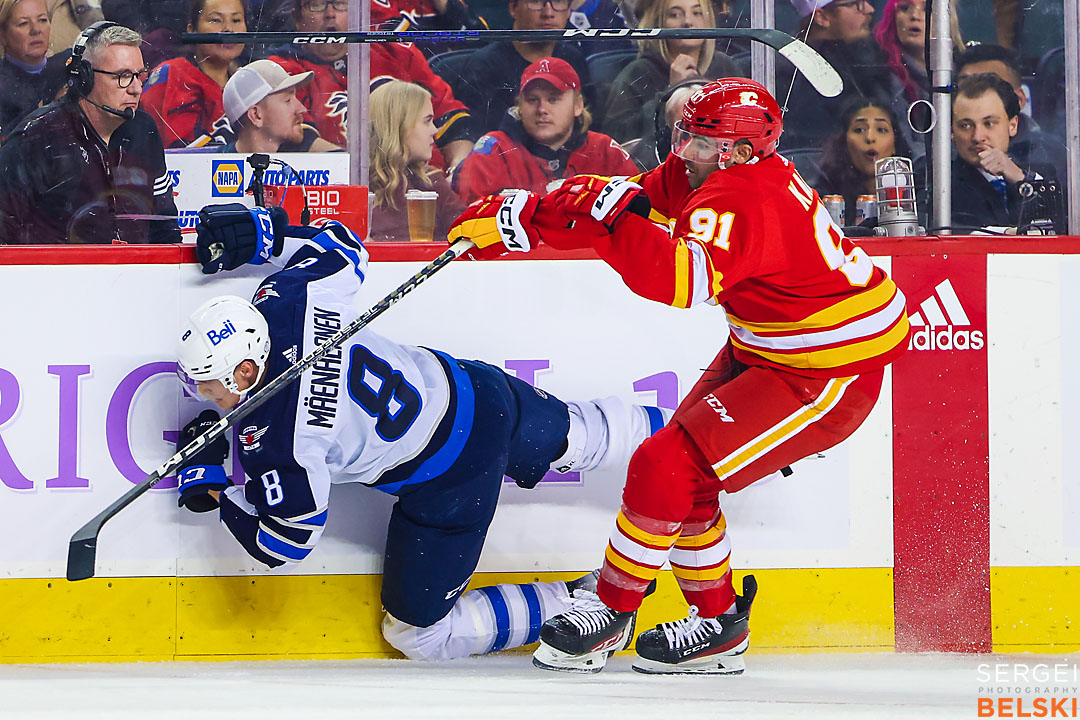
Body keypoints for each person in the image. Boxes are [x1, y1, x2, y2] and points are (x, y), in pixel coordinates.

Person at [449, 78, 910, 674]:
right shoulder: (705, 171)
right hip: (767, 348)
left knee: (663, 463)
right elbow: (633, 203)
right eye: (683, 135)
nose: (681, 151)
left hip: (827, 371)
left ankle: (611, 612)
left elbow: (678, 281)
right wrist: (528, 215)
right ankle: (717, 624)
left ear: (740, 151)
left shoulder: (744, 196)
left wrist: (611, 219)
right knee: (681, 477)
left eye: (697, 140)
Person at [175, 203, 672, 661]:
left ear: (244, 372)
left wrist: (215, 490)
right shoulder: (287, 299)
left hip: (449, 485)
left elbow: (284, 545)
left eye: (208, 385)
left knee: (417, 635)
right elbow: (342, 243)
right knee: (582, 435)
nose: (204, 397)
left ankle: (581, 604)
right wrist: (266, 234)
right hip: (479, 392)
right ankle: (696, 440)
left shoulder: (281, 439)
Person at [0, 21, 179, 244]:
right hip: (59, 276)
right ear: (85, 77)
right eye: (122, 76)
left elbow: (165, 226)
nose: (136, 89)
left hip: (136, 274)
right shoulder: (36, 136)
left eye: (139, 75)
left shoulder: (144, 129)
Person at [269, 0, 476, 170]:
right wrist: (369, 173)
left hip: (424, 184)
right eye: (317, 5)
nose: (330, 14)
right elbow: (298, 140)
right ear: (297, 17)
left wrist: (458, 168)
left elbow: (453, 121)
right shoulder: (284, 69)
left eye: (340, 4)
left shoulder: (397, 52)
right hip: (346, 184)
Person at [455, 57, 637, 203]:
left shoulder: (604, 149)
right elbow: (471, 220)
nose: (542, 109)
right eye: (532, 100)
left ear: (578, 105)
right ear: (520, 106)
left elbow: (640, 209)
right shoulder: (494, 149)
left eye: (553, 99)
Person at [915, 73, 1059, 232]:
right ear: (951, 131)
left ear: (1012, 125)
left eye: (989, 123)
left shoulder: (1040, 174)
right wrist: (1008, 234)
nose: (977, 137)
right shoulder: (936, 176)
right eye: (965, 125)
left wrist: (1019, 178)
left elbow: (1059, 228)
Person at [447, 0, 594, 136]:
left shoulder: (574, 59)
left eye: (558, 1)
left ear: (569, 11)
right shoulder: (485, 66)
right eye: (536, 2)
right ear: (513, 8)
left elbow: (589, 126)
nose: (548, 13)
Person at [602, 0, 740, 143]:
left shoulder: (725, 66)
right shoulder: (637, 72)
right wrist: (669, 94)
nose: (688, 22)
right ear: (658, 24)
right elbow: (617, 137)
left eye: (697, 13)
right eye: (675, 15)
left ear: (709, 20)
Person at [778, 0, 897, 149]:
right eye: (855, 4)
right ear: (821, 17)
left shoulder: (865, 57)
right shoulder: (796, 75)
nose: (869, 9)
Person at [956, 42, 1068, 188]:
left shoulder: (1054, 156)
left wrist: (1020, 178)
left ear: (1020, 99)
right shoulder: (939, 165)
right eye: (967, 86)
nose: (977, 136)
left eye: (992, 86)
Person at [139, 0, 246, 148]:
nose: (229, 29)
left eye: (236, 20)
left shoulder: (245, 79)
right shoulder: (173, 73)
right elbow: (183, 153)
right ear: (192, 29)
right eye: (216, 20)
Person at [369, 80, 466, 242]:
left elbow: (468, 236)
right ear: (398, 125)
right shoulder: (355, 184)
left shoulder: (432, 181)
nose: (435, 130)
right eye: (427, 121)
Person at [816, 96, 911, 226]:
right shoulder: (821, 197)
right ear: (844, 141)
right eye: (859, 129)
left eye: (881, 130)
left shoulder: (916, 195)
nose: (870, 137)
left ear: (895, 142)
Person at [0, 0, 71, 138]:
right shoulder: (3, 86)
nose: (36, 30)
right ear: (2, 36)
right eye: (23, 23)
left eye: (42, 20)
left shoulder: (69, 67)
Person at [218, 59, 321, 154]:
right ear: (256, 115)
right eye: (288, 100)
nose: (302, 109)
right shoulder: (211, 167)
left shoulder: (303, 155)